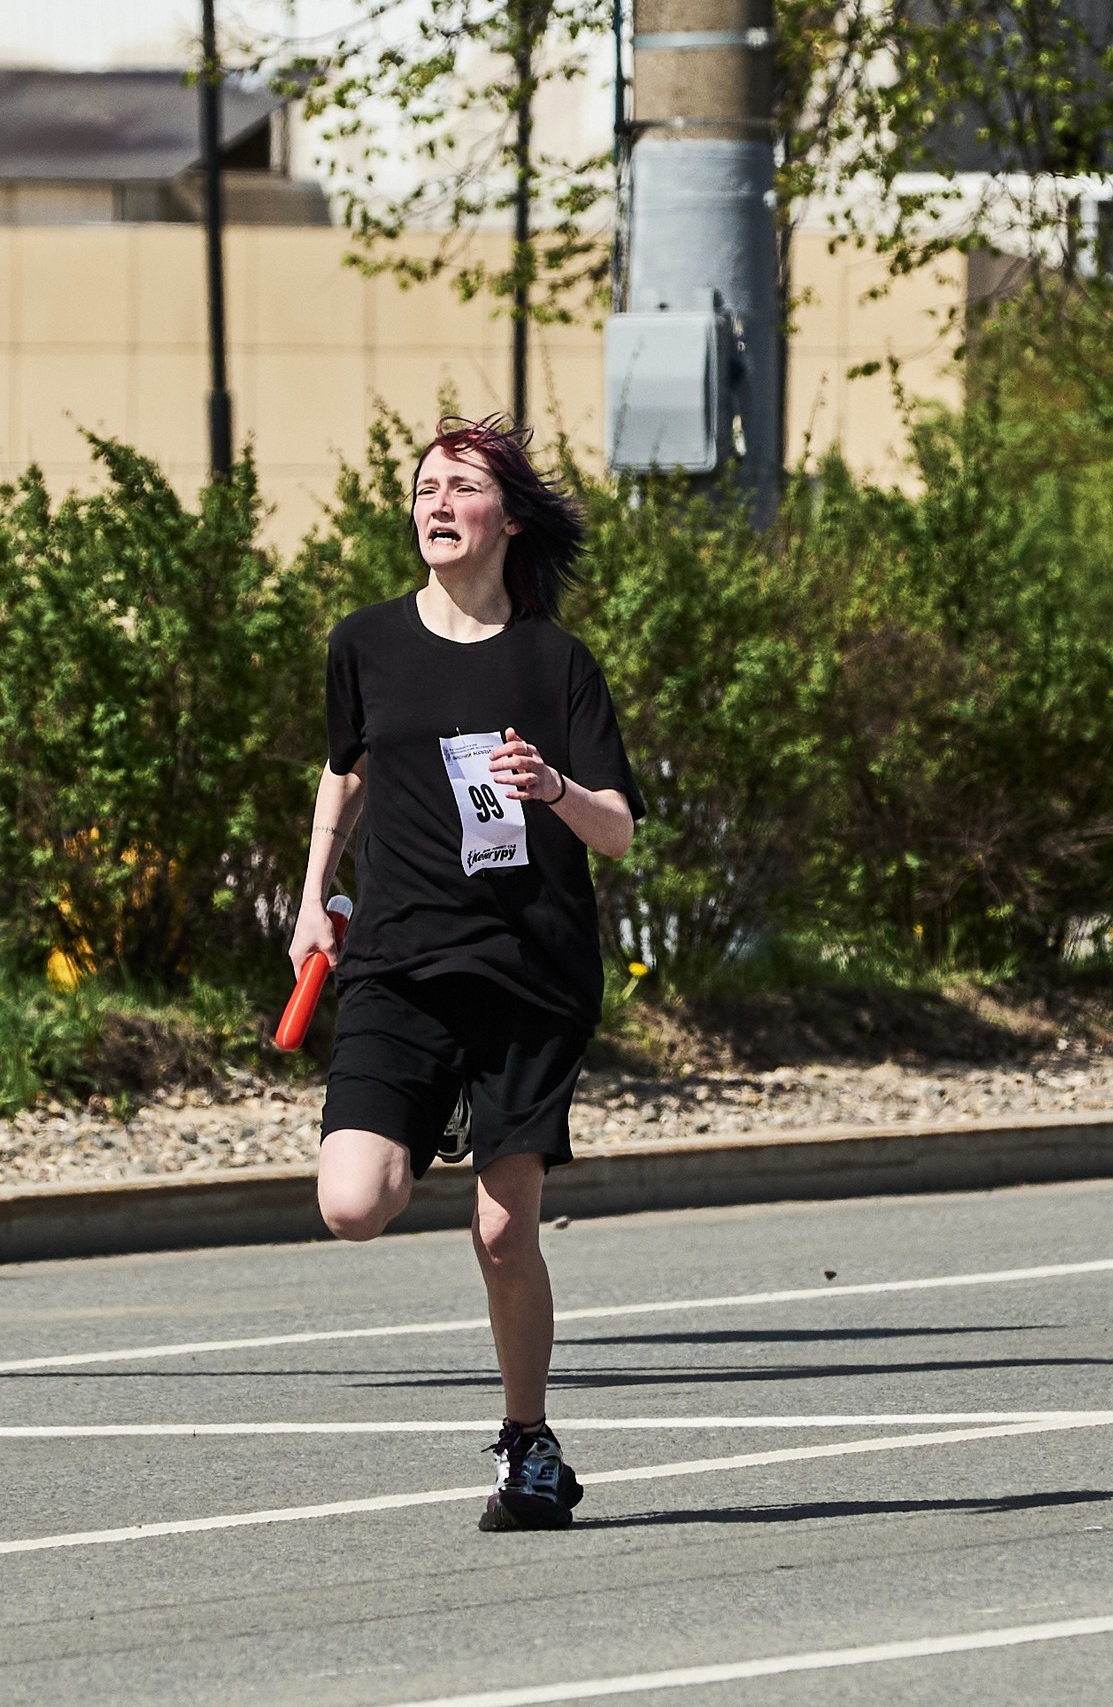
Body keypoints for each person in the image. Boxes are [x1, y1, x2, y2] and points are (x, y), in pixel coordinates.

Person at [293, 416, 646, 1533]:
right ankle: (438, 1104)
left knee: (502, 1235)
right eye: (423, 488)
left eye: (460, 487)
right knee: (354, 1202)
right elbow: (345, 767)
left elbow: (617, 831)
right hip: (398, 961)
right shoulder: (364, 643)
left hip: (526, 973)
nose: (436, 505)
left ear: (510, 519)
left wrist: (552, 788)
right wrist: (313, 891)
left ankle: (529, 1444)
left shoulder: (556, 662)